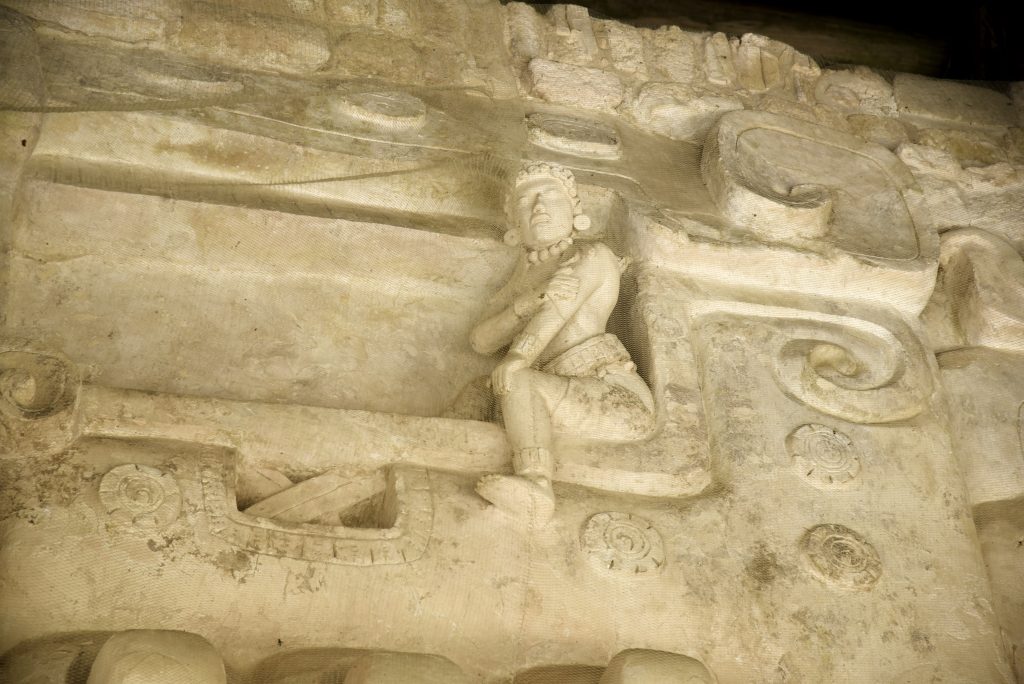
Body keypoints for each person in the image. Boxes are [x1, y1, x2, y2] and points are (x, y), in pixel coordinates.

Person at [470, 162, 655, 524]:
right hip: (559, 391)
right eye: (525, 202)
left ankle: (536, 487)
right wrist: (530, 298)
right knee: (477, 391)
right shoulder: (521, 280)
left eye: (550, 196)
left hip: (613, 395)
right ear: (515, 226)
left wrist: (518, 356)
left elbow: (556, 313)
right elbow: (480, 340)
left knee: (517, 381)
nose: (538, 206)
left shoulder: (593, 256)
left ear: (575, 214)